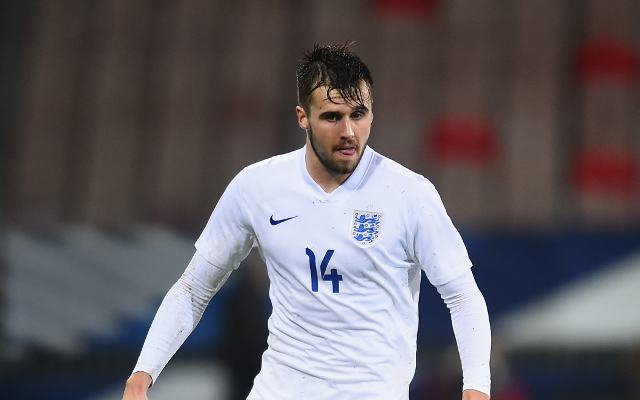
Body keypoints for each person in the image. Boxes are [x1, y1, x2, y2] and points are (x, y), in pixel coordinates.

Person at [122, 43, 491, 400]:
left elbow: (461, 295)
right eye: (332, 117)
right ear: (303, 117)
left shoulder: (410, 195)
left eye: (358, 114)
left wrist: (476, 386)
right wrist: (142, 375)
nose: (348, 131)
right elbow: (194, 288)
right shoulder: (257, 187)